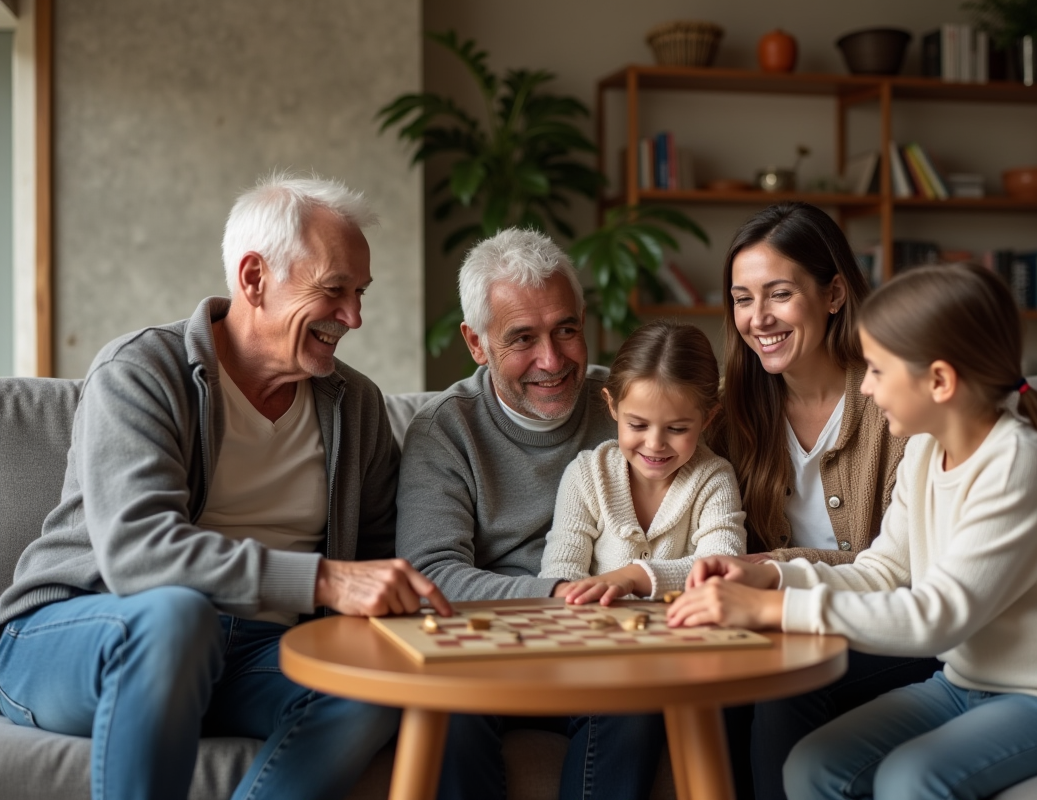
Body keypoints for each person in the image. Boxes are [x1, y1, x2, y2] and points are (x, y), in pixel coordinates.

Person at [0, 173, 452, 800]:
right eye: (334, 291)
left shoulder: (356, 405)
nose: (354, 317)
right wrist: (326, 580)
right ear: (253, 279)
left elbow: (377, 557)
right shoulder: (141, 371)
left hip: (254, 653)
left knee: (374, 685)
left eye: (361, 293)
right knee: (176, 615)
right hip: (87, 634)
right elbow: (141, 556)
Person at [669, 263, 1037, 800]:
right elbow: (884, 570)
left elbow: (938, 616)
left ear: (939, 381)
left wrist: (770, 612)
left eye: (876, 370)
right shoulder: (924, 449)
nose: (866, 388)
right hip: (968, 684)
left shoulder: (1020, 464)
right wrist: (772, 580)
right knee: (811, 765)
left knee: (910, 778)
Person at [396, 228, 664, 800]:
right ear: (476, 342)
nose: (552, 359)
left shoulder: (627, 413)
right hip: (485, 648)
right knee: (443, 711)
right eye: (522, 338)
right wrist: (559, 594)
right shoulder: (446, 429)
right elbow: (430, 574)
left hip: (604, 647)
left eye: (566, 329)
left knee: (635, 705)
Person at [711, 202, 940, 799]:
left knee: (784, 687)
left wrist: (771, 569)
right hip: (782, 626)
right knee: (715, 682)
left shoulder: (895, 402)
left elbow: (900, 572)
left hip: (893, 632)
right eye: (741, 298)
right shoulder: (728, 407)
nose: (757, 318)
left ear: (834, 292)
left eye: (778, 294)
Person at [540, 320, 746, 605]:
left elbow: (723, 566)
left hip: (685, 639)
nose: (655, 444)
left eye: (677, 429)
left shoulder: (714, 479)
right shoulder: (586, 475)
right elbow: (560, 573)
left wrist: (633, 576)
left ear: (707, 418)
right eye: (637, 425)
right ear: (612, 405)